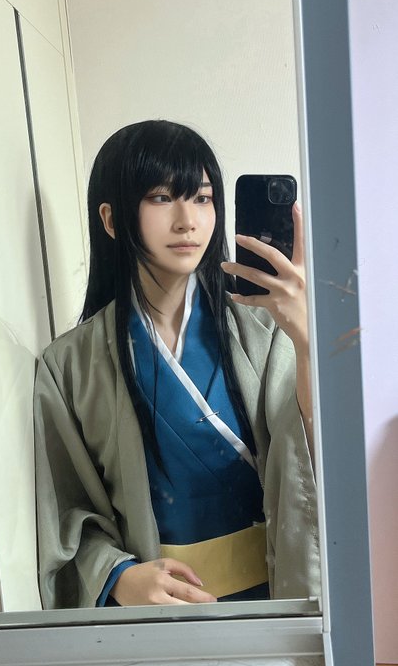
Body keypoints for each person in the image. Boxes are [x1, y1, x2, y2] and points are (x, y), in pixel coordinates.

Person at [34, 120, 320, 609]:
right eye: (162, 198)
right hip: (162, 613)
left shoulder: (270, 332)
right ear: (111, 219)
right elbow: (63, 511)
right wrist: (118, 577)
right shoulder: (70, 365)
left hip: (277, 598)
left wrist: (308, 341)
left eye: (203, 198)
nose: (188, 220)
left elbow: (321, 459)